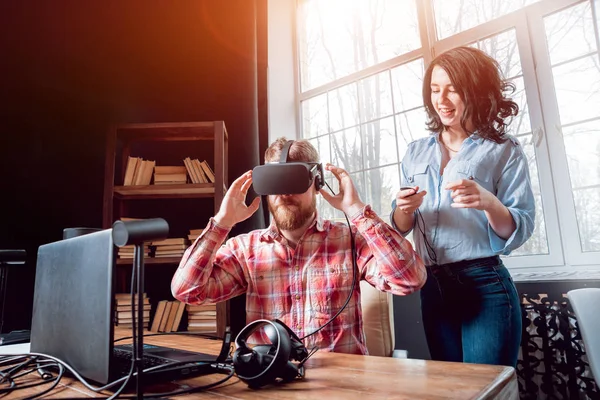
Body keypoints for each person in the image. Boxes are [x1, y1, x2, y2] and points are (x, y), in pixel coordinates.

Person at [172, 137, 426, 354]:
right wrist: (221, 223)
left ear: (316, 184)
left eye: (293, 181)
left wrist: (358, 211)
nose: (284, 194)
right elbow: (187, 291)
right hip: (269, 380)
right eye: (275, 183)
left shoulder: (350, 240)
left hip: (340, 384)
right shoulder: (245, 250)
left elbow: (410, 280)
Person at [390, 46, 534, 367]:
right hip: (433, 287)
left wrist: (488, 202)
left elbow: (519, 226)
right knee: (453, 390)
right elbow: (401, 225)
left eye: (452, 90)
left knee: (487, 391)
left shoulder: (504, 150)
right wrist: (404, 207)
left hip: (485, 284)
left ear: (476, 91)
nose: (441, 100)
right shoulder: (415, 152)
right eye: (435, 90)